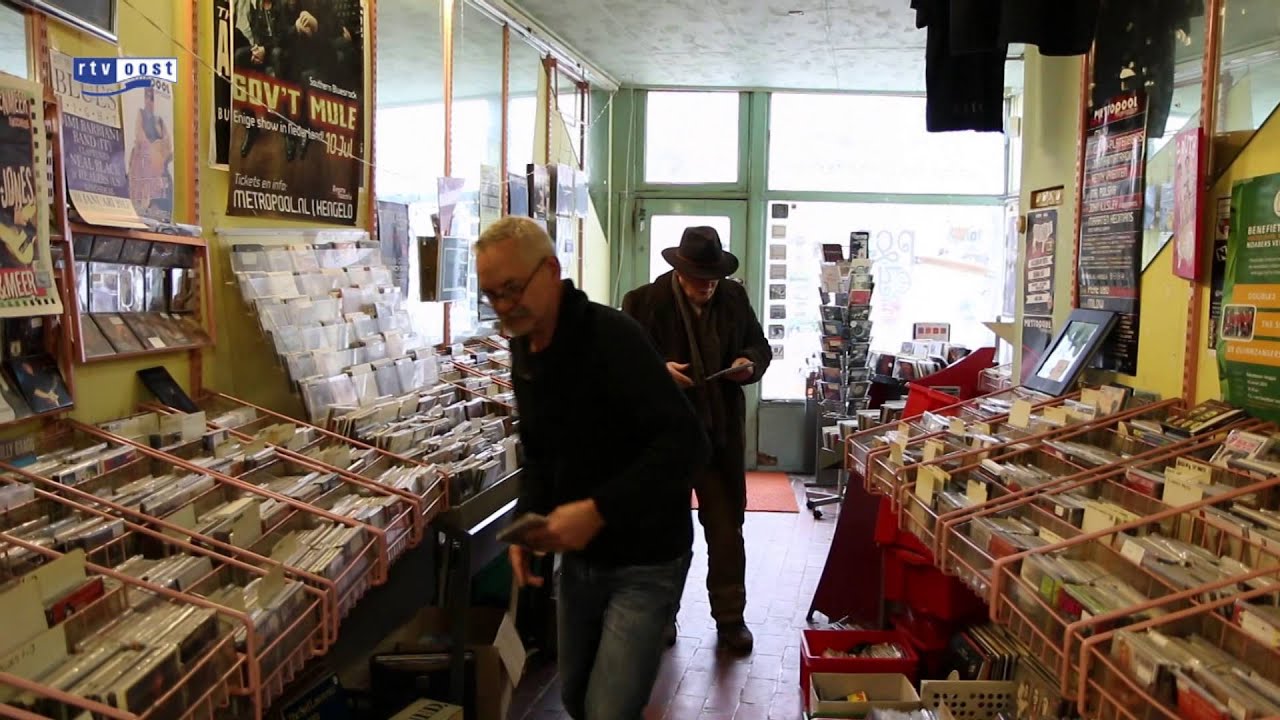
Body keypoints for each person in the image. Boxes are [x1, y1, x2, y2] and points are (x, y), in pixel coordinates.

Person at [476, 217, 709, 720]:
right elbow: (539, 447)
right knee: (577, 699)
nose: (502, 306)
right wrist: (529, 520)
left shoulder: (614, 339)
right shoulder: (524, 345)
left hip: (647, 562)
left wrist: (600, 510)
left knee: (608, 711)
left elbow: (687, 443)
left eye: (512, 289)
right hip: (579, 561)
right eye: (491, 295)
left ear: (552, 271)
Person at [621, 226, 772, 655]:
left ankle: (730, 619)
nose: (707, 285)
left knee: (726, 531)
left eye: (713, 278)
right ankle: (662, 615)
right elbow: (622, 362)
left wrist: (749, 363)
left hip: (718, 435)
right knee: (665, 532)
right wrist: (656, 371)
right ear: (679, 270)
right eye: (699, 277)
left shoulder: (734, 298)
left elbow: (759, 345)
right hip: (664, 438)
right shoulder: (643, 302)